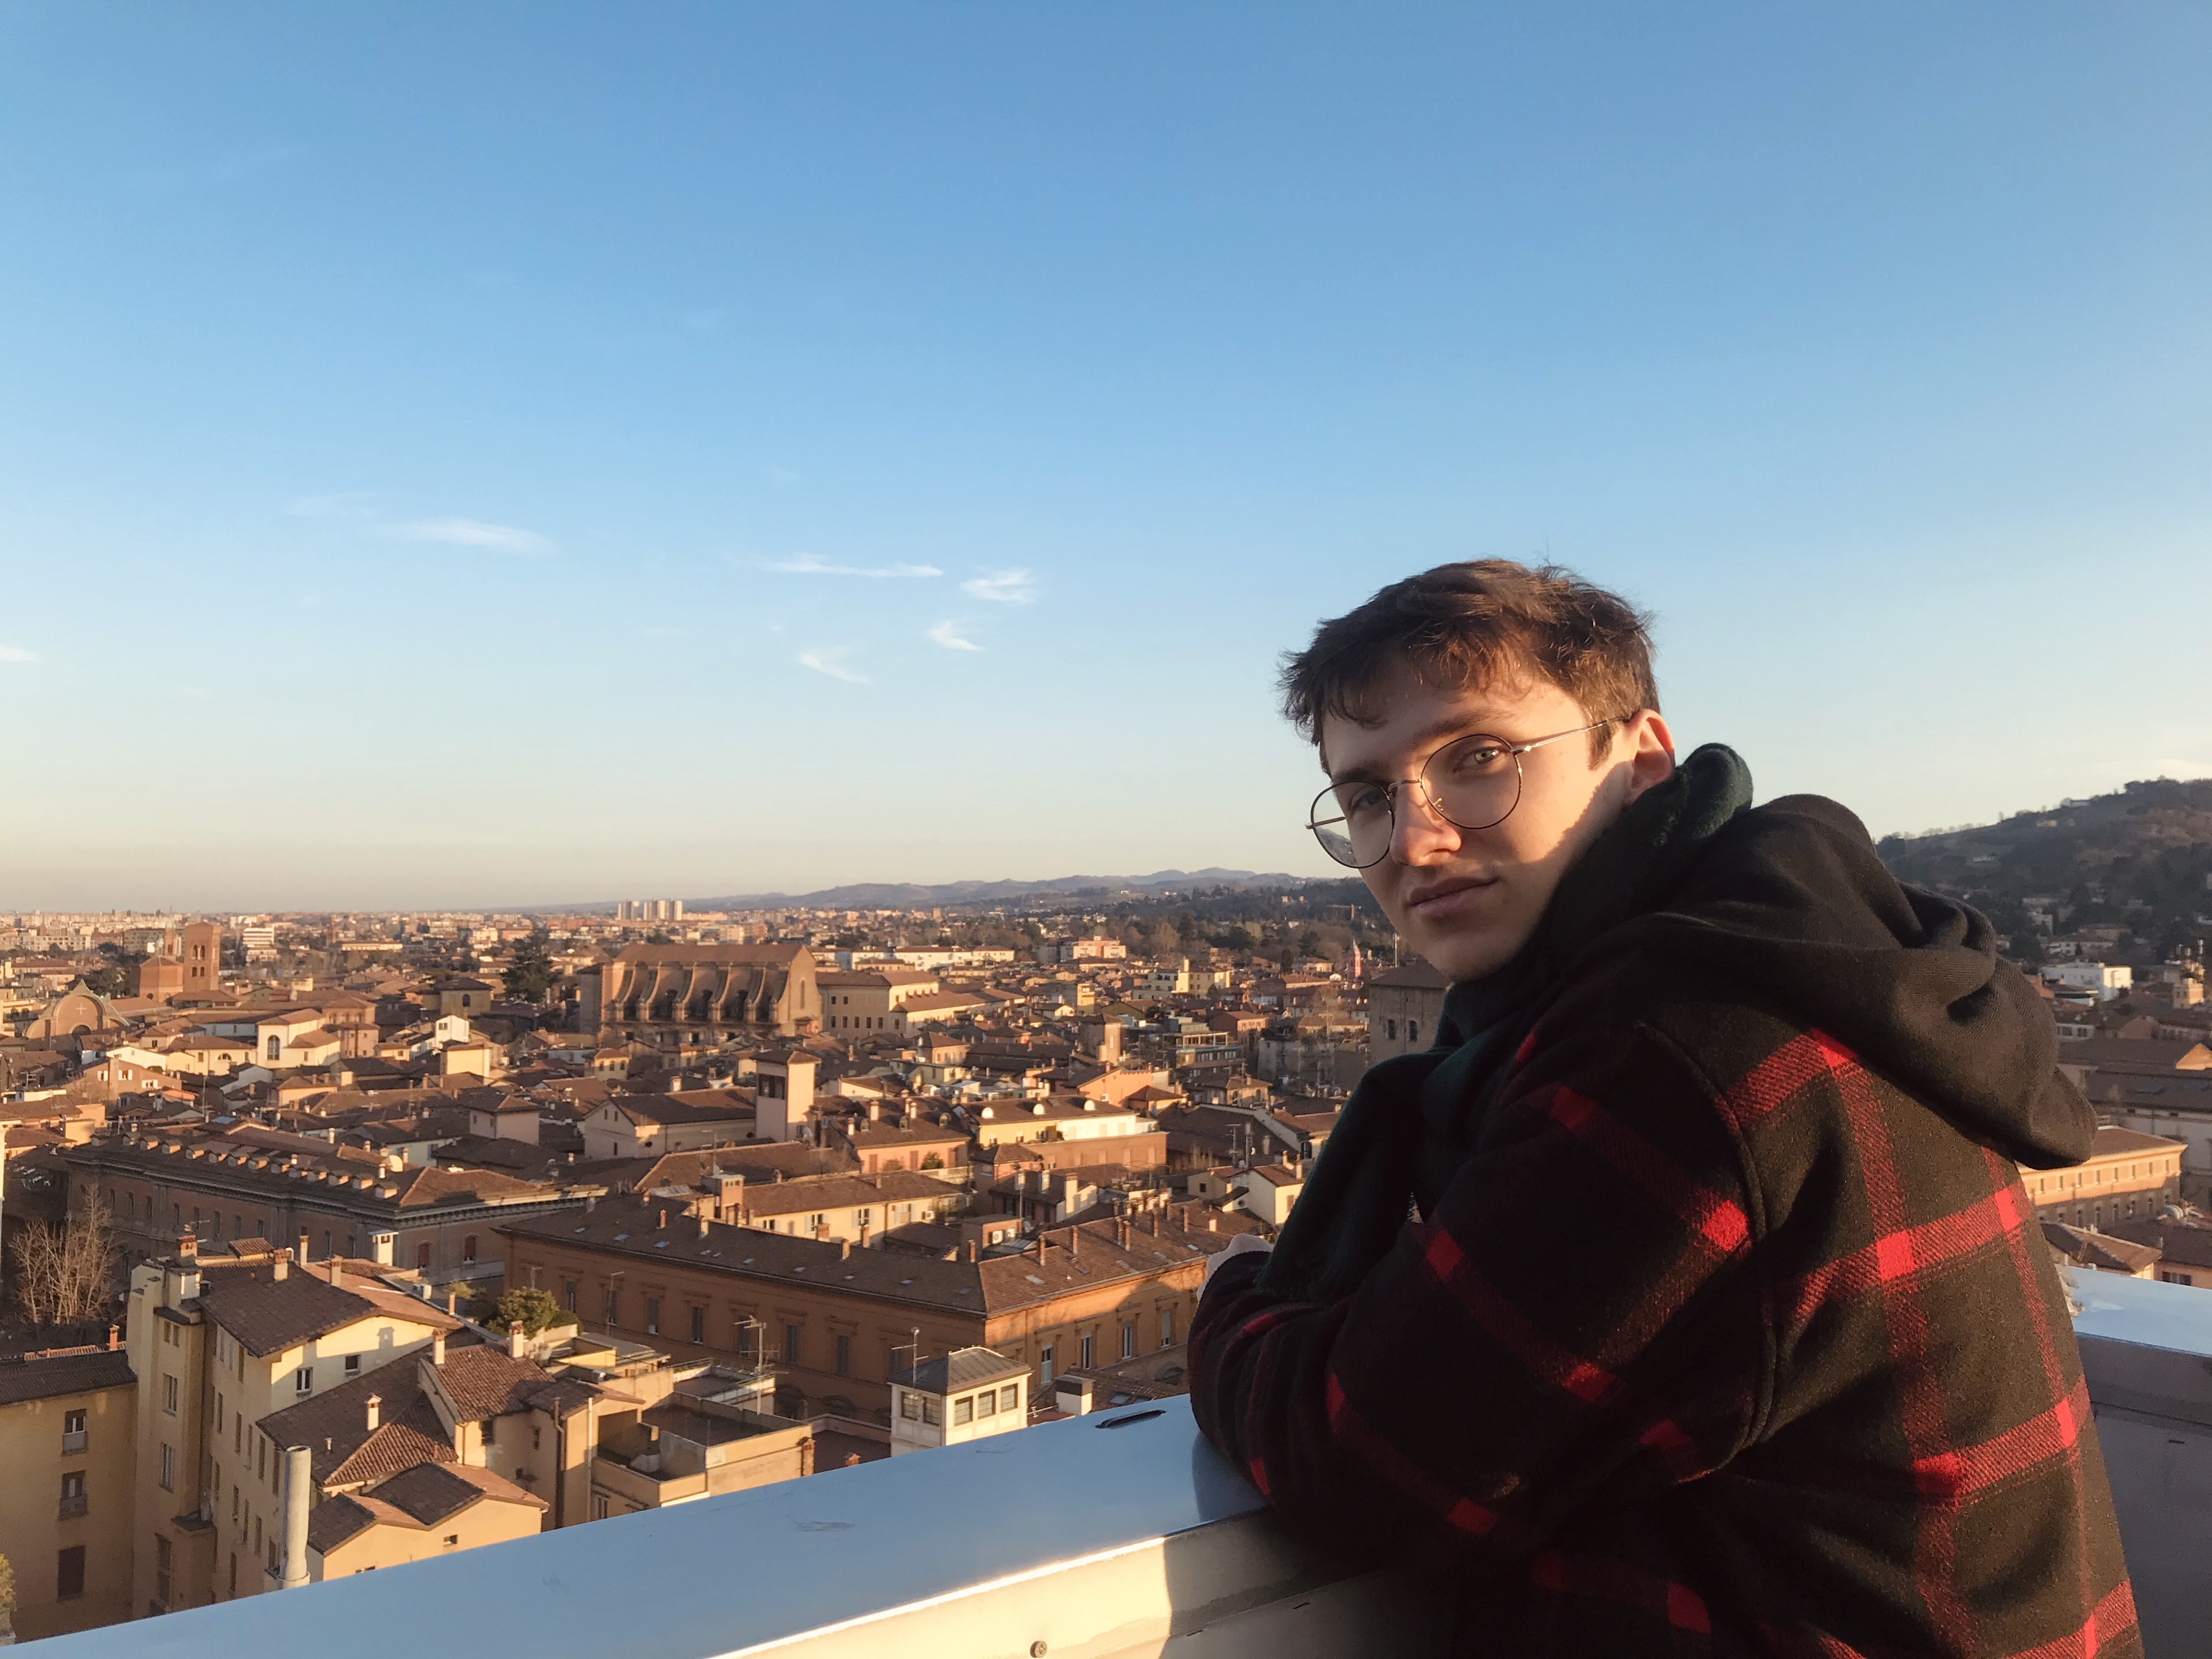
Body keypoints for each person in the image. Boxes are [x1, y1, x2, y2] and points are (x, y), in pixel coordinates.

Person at [1188, 561, 2137, 1657]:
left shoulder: (1678, 1050)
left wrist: (1233, 1298)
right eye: (1368, 796)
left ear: (1640, 757)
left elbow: (1361, 1462)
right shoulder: (1796, 964)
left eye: (1477, 758)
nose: (1413, 838)